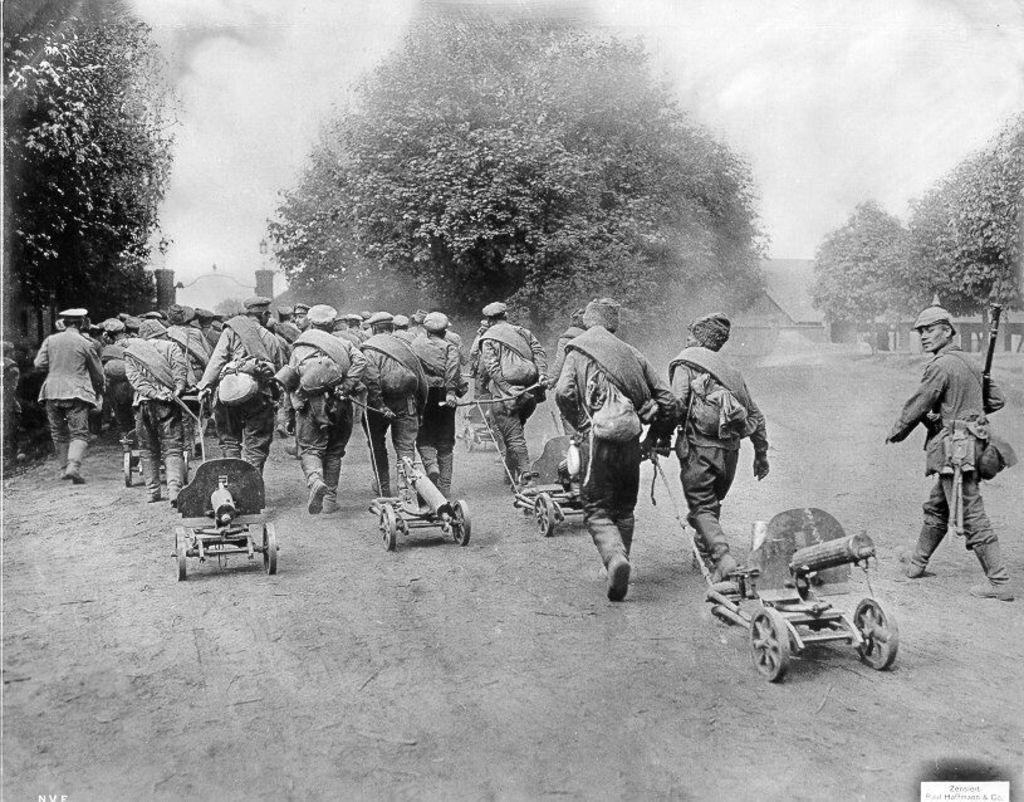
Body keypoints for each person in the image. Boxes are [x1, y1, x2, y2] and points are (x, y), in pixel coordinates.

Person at [886, 303, 1012, 601]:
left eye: (930, 330)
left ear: (947, 330)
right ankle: (917, 563)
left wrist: (897, 431)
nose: (924, 336)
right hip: (972, 444)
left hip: (956, 449)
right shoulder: (968, 361)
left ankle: (999, 581)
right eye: (921, 332)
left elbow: (920, 402)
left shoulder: (940, 365)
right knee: (938, 505)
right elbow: (996, 399)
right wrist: (968, 412)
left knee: (970, 512)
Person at [555, 298, 678, 601]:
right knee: (624, 508)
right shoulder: (632, 353)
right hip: (631, 440)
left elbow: (563, 393)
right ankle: (622, 558)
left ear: (587, 322)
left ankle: (614, 559)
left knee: (596, 507)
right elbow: (670, 401)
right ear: (614, 324)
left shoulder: (577, 351)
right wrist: (654, 439)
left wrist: (581, 424)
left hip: (597, 440)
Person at [669, 313, 769, 582]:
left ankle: (723, 558)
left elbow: (677, 406)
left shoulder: (686, 364)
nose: (687, 340)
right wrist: (761, 455)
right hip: (730, 454)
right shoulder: (732, 374)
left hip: (700, 450)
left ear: (699, 339)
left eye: (690, 335)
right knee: (712, 503)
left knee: (702, 506)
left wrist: (657, 434)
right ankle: (704, 553)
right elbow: (756, 416)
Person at [282, 304, 366, 514]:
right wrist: (347, 385)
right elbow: (361, 361)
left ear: (311, 322)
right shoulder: (344, 343)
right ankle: (329, 501)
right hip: (340, 403)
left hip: (310, 405)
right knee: (335, 451)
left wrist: (289, 414)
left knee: (310, 448)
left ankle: (315, 479)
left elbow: (289, 382)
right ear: (333, 324)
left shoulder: (300, 347)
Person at [197, 296, 287, 472]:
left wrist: (205, 386)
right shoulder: (271, 338)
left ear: (247, 313)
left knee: (230, 440)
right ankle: (252, 486)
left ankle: (234, 482)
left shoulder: (230, 331)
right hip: (260, 396)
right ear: (264, 314)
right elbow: (278, 371)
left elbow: (217, 361)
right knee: (256, 445)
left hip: (228, 394)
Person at [477, 301, 548, 485]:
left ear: (489, 320)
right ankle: (509, 474)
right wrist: (542, 375)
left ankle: (526, 476)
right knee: (515, 431)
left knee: (513, 436)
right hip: (529, 393)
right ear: (506, 316)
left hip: (506, 397)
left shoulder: (487, 337)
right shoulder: (523, 332)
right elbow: (539, 352)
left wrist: (506, 389)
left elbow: (491, 368)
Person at [33, 308, 105, 483]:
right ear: (81, 323)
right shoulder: (85, 343)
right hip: (76, 393)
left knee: (58, 433)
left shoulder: (51, 340)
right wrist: (99, 390)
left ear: (64, 323)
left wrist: (55, 369)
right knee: (79, 433)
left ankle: (63, 468)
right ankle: (73, 468)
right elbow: (97, 372)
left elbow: (38, 364)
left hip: (51, 391)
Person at [361, 312, 428, 497]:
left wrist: (380, 405)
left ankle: (383, 487)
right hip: (407, 402)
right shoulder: (406, 346)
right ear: (391, 328)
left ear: (374, 329)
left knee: (376, 444)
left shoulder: (368, 349)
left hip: (377, 406)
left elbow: (371, 380)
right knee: (406, 446)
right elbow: (421, 380)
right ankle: (406, 490)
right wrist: (421, 409)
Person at [123, 320, 188, 505]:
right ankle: (175, 490)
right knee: (173, 448)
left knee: (147, 449)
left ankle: (153, 492)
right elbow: (180, 372)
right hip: (168, 403)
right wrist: (176, 391)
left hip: (143, 404)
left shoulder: (132, 351)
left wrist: (153, 393)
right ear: (160, 333)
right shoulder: (171, 347)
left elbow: (135, 379)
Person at [412, 312, 467, 498]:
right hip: (443, 396)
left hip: (422, 395)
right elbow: (453, 371)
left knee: (424, 434)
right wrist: (452, 392)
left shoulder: (415, 345)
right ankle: (445, 487)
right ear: (444, 331)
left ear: (426, 330)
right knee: (445, 440)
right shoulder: (449, 348)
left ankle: (430, 465)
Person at [166, 304, 212, 454]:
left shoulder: (167, 333)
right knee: (200, 407)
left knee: (181, 408)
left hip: (177, 374)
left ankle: (186, 444)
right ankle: (198, 437)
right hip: (198, 374)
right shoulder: (196, 332)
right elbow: (208, 354)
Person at [550, 308, 587, 433]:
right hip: (592, 385)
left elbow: (559, 363)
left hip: (572, 386)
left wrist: (550, 381)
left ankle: (575, 447)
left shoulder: (566, 338)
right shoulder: (595, 337)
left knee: (569, 418)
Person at [99, 318, 136, 444]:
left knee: (121, 413)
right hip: (133, 383)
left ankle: (125, 440)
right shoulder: (133, 343)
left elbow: (105, 370)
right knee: (135, 413)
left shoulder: (108, 350)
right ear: (123, 330)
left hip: (116, 386)